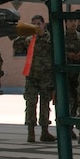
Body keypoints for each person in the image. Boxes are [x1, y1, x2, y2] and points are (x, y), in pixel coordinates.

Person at [22, 16, 56, 144]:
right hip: (32, 78)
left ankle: (44, 131)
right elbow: (17, 45)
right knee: (30, 104)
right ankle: (31, 132)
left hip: (46, 78)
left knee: (44, 105)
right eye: (33, 24)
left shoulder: (51, 40)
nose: (36, 26)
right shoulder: (29, 40)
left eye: (38, 23)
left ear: (44, 25)